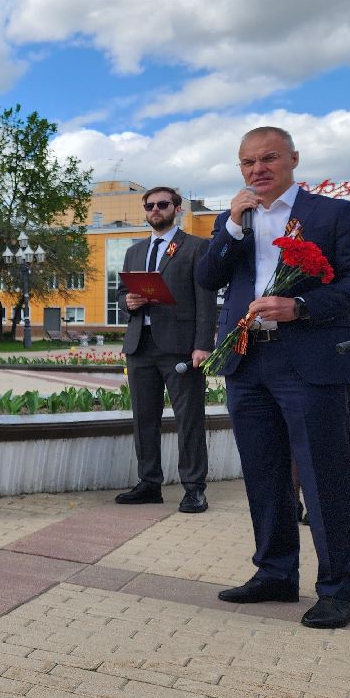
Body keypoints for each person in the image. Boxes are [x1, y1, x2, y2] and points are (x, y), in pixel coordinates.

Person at [194, 127, 350, 629]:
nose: (258, 168)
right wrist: (230, 227)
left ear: (293, 159)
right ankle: (275, 573)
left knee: (324, 480)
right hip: (248, 364)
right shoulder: (233, 220)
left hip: (312, 366)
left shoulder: (331, 214)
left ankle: (339, 589)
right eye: (247, 162)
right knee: (264, 475)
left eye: (269, 157)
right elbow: (207, 279)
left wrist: (300, 307)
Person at [113, 187, 216, 513]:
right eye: (149, 206)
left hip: (181, 349)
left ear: (176, 208)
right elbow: (121, 294)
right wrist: (127, 302)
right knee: (144, 419)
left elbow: (206, 300)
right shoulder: (135, 251)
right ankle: (149, 483)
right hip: (139, 345)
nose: (155, 209)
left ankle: (194, 488)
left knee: (189, 419)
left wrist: (203, 345)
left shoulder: (196, 247)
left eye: (161, 204)